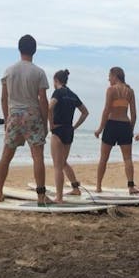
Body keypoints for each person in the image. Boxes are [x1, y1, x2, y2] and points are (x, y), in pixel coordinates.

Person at [0, 34, 50, 204]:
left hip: (14, 114)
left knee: (6, 156)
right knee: (37, 156)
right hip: (32, 114)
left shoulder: (9, 71)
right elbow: (43, 99)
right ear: (34, 50)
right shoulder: (39, 72)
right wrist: (45, 121)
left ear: (19, 49)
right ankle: (41, 195)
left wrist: (6, 119)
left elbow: (3, 99)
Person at [94, 67, 139, 194]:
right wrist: (130, 129)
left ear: (115, 76)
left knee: (103, 158)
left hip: (112, 125)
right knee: (127, 159)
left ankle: (98, 186)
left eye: (110, 76)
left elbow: (106, 111)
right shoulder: (130, 91)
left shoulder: (111, 90)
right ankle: (131, 186)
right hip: (125, 124)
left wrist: (100, 129)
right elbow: (134, 114)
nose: (108, 79)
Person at [49, 69, 89, 203]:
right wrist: (75, 127)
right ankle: (75, 188)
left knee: (57, 166)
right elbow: (85, 112)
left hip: (58, 129)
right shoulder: (72, 94)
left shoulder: (58, 92)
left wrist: (51, 124)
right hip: (68, 131)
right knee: (63, 163)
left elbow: (49, 108)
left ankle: (59, 197)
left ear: (56, 80)